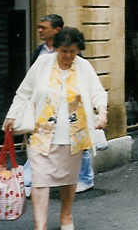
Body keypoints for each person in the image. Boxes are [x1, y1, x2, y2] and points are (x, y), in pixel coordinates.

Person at [3, 27, 107, 230]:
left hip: (73, 133)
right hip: (41, 132)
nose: (68, 56)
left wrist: (102, 112)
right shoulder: (42, 64)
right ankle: (40, 229)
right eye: (64, 51)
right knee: (40, 180)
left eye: (73, 51)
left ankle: (66, 214)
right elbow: (24, 92)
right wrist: (12, 115)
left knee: (68, 178)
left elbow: (98, 92)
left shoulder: (83, 67)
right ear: (56, 48)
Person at [24, 14, 95, 196]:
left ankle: (85, 178)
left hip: (71, 105)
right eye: (39, 27)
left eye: (43, 27)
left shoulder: (73, 53)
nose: (39, 30)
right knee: (42, 143)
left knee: (77, 142)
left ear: (57, 30)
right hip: (48, 106)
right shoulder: (40, 52)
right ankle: (33, 179)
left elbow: (83, 80)